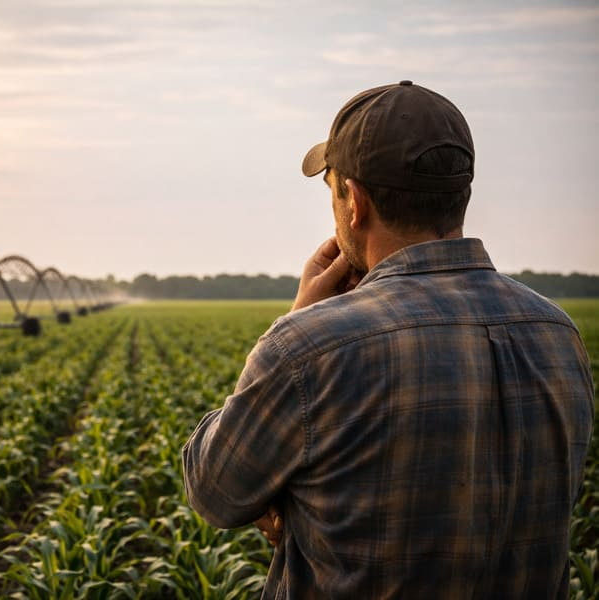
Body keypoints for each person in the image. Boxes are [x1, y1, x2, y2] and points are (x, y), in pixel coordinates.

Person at [181, 80, 594, 598]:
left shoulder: (310, 348)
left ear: (354, 202)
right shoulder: (558, 333)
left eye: (332, 188)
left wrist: (295, 323)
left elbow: (215, 490)